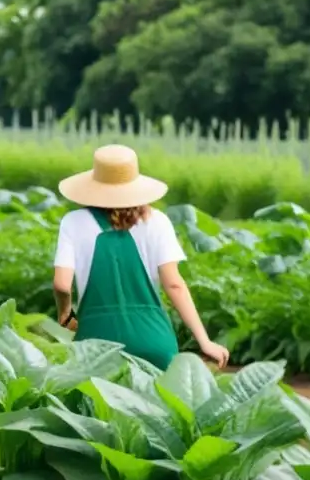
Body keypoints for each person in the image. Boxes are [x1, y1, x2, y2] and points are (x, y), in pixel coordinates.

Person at [53, 144, 229, 371]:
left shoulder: (73, 222)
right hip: (153, 340)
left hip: (96, 343)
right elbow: (174, 285)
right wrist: (204, 342)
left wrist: (65, 313)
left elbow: (61, 284)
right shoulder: (158, 221)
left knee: (96, 405)